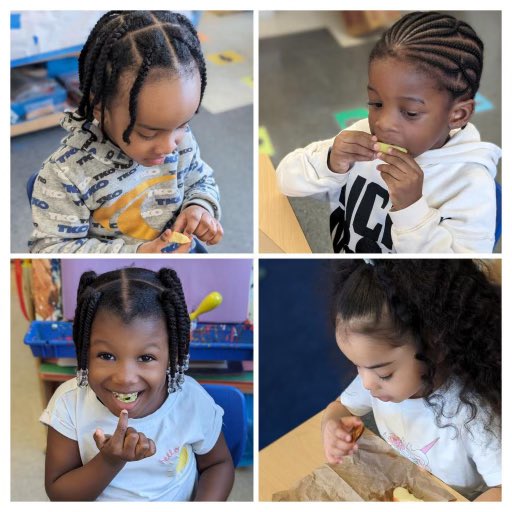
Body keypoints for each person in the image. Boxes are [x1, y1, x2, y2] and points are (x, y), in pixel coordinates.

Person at [277, 11, 501, 253]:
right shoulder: (363, 135)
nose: (383, 123)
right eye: (376, 104)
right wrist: (330, 161)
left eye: (411, 112)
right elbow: (285, 182)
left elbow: (457, 279)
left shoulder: (470, 186)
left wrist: (411, 209)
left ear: (457, 115)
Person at [30, 11, 222, 253]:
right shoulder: (67, 174)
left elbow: (202, 180)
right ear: (100, 109)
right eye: (148, 133)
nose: (169, 146)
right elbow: (49, 247)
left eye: (182, 125)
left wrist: (200, 207)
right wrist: (138, 253)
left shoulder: (180, 142)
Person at [40, 267, 234, 501]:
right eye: (106, 356)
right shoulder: (69, 404)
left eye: (146, 358)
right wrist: (110, 461)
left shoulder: (190, 399)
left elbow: (218, 465)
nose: (125, 377)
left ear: (171, 356)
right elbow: (59, 494)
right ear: (84, 351)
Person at [322, 259, 501, 501]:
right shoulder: (374, 382)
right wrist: (332, 428)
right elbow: (338, 408)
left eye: (384, 373)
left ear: (435, 345)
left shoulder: (473, 417)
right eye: (358, 367)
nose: (366, 383)